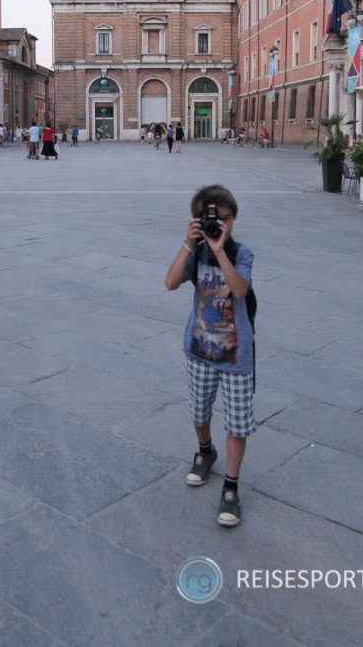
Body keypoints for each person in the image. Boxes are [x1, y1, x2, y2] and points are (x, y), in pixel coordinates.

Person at [164, 185, 255, 528]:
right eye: (214, 220)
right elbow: (170, 282)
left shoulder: (242, 253)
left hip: (236, 357)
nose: (221, 226)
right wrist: (189, 243)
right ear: (200, 221)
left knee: (237, 422)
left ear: (233, 220)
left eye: (227, 219)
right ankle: (205, 450)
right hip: (199, 351)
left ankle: (231, 486)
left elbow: (240, 289)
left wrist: (219, 251)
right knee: (199, 410)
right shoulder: (195, 251)